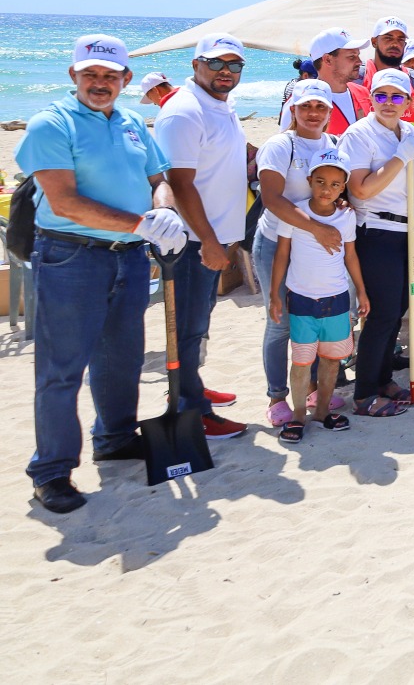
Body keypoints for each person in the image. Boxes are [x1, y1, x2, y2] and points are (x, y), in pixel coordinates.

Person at [17, 34, 187, 513]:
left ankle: (114, 438)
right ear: (73, 76)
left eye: (110, 76)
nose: (100, 83)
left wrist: (164, 212)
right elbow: (63, 201)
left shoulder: (133, 121)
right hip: (71, 257)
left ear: (125, 80)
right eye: (90, 74)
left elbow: (159, 179)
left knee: (122, 357)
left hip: (131, 257)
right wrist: (141, 222)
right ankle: (51, 471)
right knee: (61, 369)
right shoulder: (51, 123)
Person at [155, 32, 252, 439]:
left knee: (199, 322)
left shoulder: (220, 106)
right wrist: (210, 241)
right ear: (195, 65)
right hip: (194, 242)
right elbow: (179, 184)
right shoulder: (184, 110)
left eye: (234, 65)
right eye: (215, 63)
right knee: (189, 327)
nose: (225, 72)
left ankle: (191, 387)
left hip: (214, 237)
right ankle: (189, 406)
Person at [342, 68, 414, 416]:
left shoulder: (409, 131)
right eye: (381, 95)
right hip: (377, 232)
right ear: (371, 98)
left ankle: (383, 379)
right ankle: (364, 394)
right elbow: (360, 188)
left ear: (409, 103)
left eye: (396, 97)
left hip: (411, 232)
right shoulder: (359, 135)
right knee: (381, 314)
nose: (388, 103)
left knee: (397, 310)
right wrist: (401, 155)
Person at [254, 79, 343, 428]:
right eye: (305, 106)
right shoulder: (280, 146)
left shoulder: (334, 145)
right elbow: (271, 199)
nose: (313, 113)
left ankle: (311, 393)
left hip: (317, 251)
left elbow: (340, 191)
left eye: (320, 106)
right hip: (276, 243)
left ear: (330, 112)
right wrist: (317, 228)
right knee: (280, 322)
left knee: (318, 317)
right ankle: (277, 396)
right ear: (293, 109)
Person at [267, 149, 364, 443]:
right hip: (302, 300)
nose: (327, 189)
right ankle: (298, 415)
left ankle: (322, 411)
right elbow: (281, 254)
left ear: (344, 186)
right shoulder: (295, 213)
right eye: (320, 181)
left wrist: (361, 291)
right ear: (309, 180)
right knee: (300, 360)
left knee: (331, 359)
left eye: (335, 184)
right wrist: (275, 294)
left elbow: (351, 256)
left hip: (336, 299)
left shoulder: (347, 216)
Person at [277, 27, 372, 135]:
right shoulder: (302, 101)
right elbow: (290, 147)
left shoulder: (363, 93)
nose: (359, 62)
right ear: (327, 59)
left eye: (358, 55)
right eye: (351, 57)